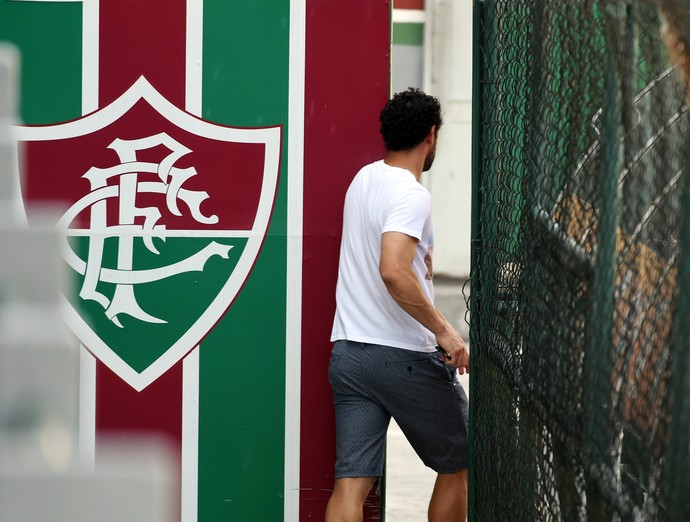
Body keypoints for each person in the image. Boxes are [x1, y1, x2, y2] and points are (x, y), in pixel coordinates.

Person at [325, 88, 470, 522]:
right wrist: (444, 329)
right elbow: (393, 268)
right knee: (462, 459)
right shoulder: (411, 194)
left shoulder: (363, 180)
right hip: (402, 356)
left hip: (349, 355)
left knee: (352, 482)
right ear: (431, 136)